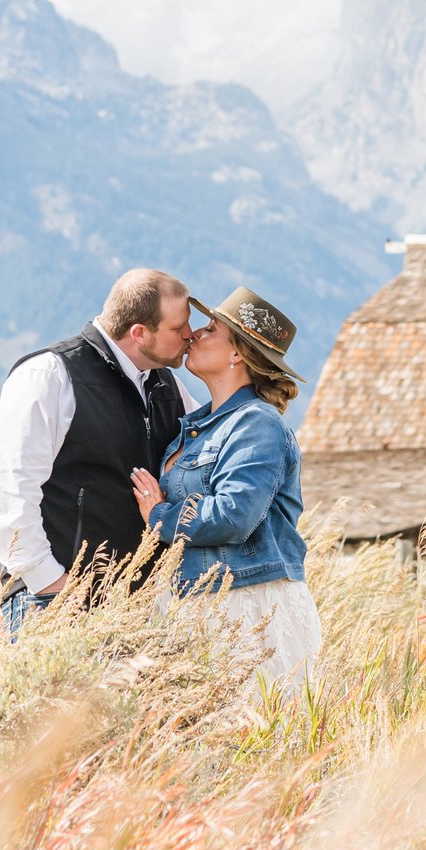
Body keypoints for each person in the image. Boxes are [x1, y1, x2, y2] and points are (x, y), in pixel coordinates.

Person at [0, 268, 200, 637]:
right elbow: (9, 483)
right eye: (178, 328)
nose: (189, 335)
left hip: (137, 609)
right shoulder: (50, 374)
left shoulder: (169, 387)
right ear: (139, 333)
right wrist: (49, 582)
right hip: (54, 603)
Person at [130, 286, 320, 695]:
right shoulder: (195, 424)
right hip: (197, 603)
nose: (195, 333)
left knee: (254, 739)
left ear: (238, 355)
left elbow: (234, 515)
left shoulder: (257, 424)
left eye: (211, 329)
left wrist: (159, 517)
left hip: (249, 606)